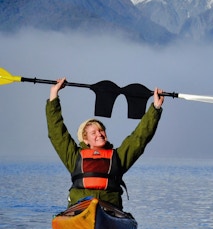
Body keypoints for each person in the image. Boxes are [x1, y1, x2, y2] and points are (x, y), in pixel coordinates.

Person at [46, 77, 164, 209]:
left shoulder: (118, 157)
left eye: (101, 130)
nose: (99, 134)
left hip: (110, 208)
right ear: (85, 140)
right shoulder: (74, 157)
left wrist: (155, 108)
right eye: (93, 133)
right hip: (80, 207)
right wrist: (53, 95)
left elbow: (140, 137)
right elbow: (57, 133)